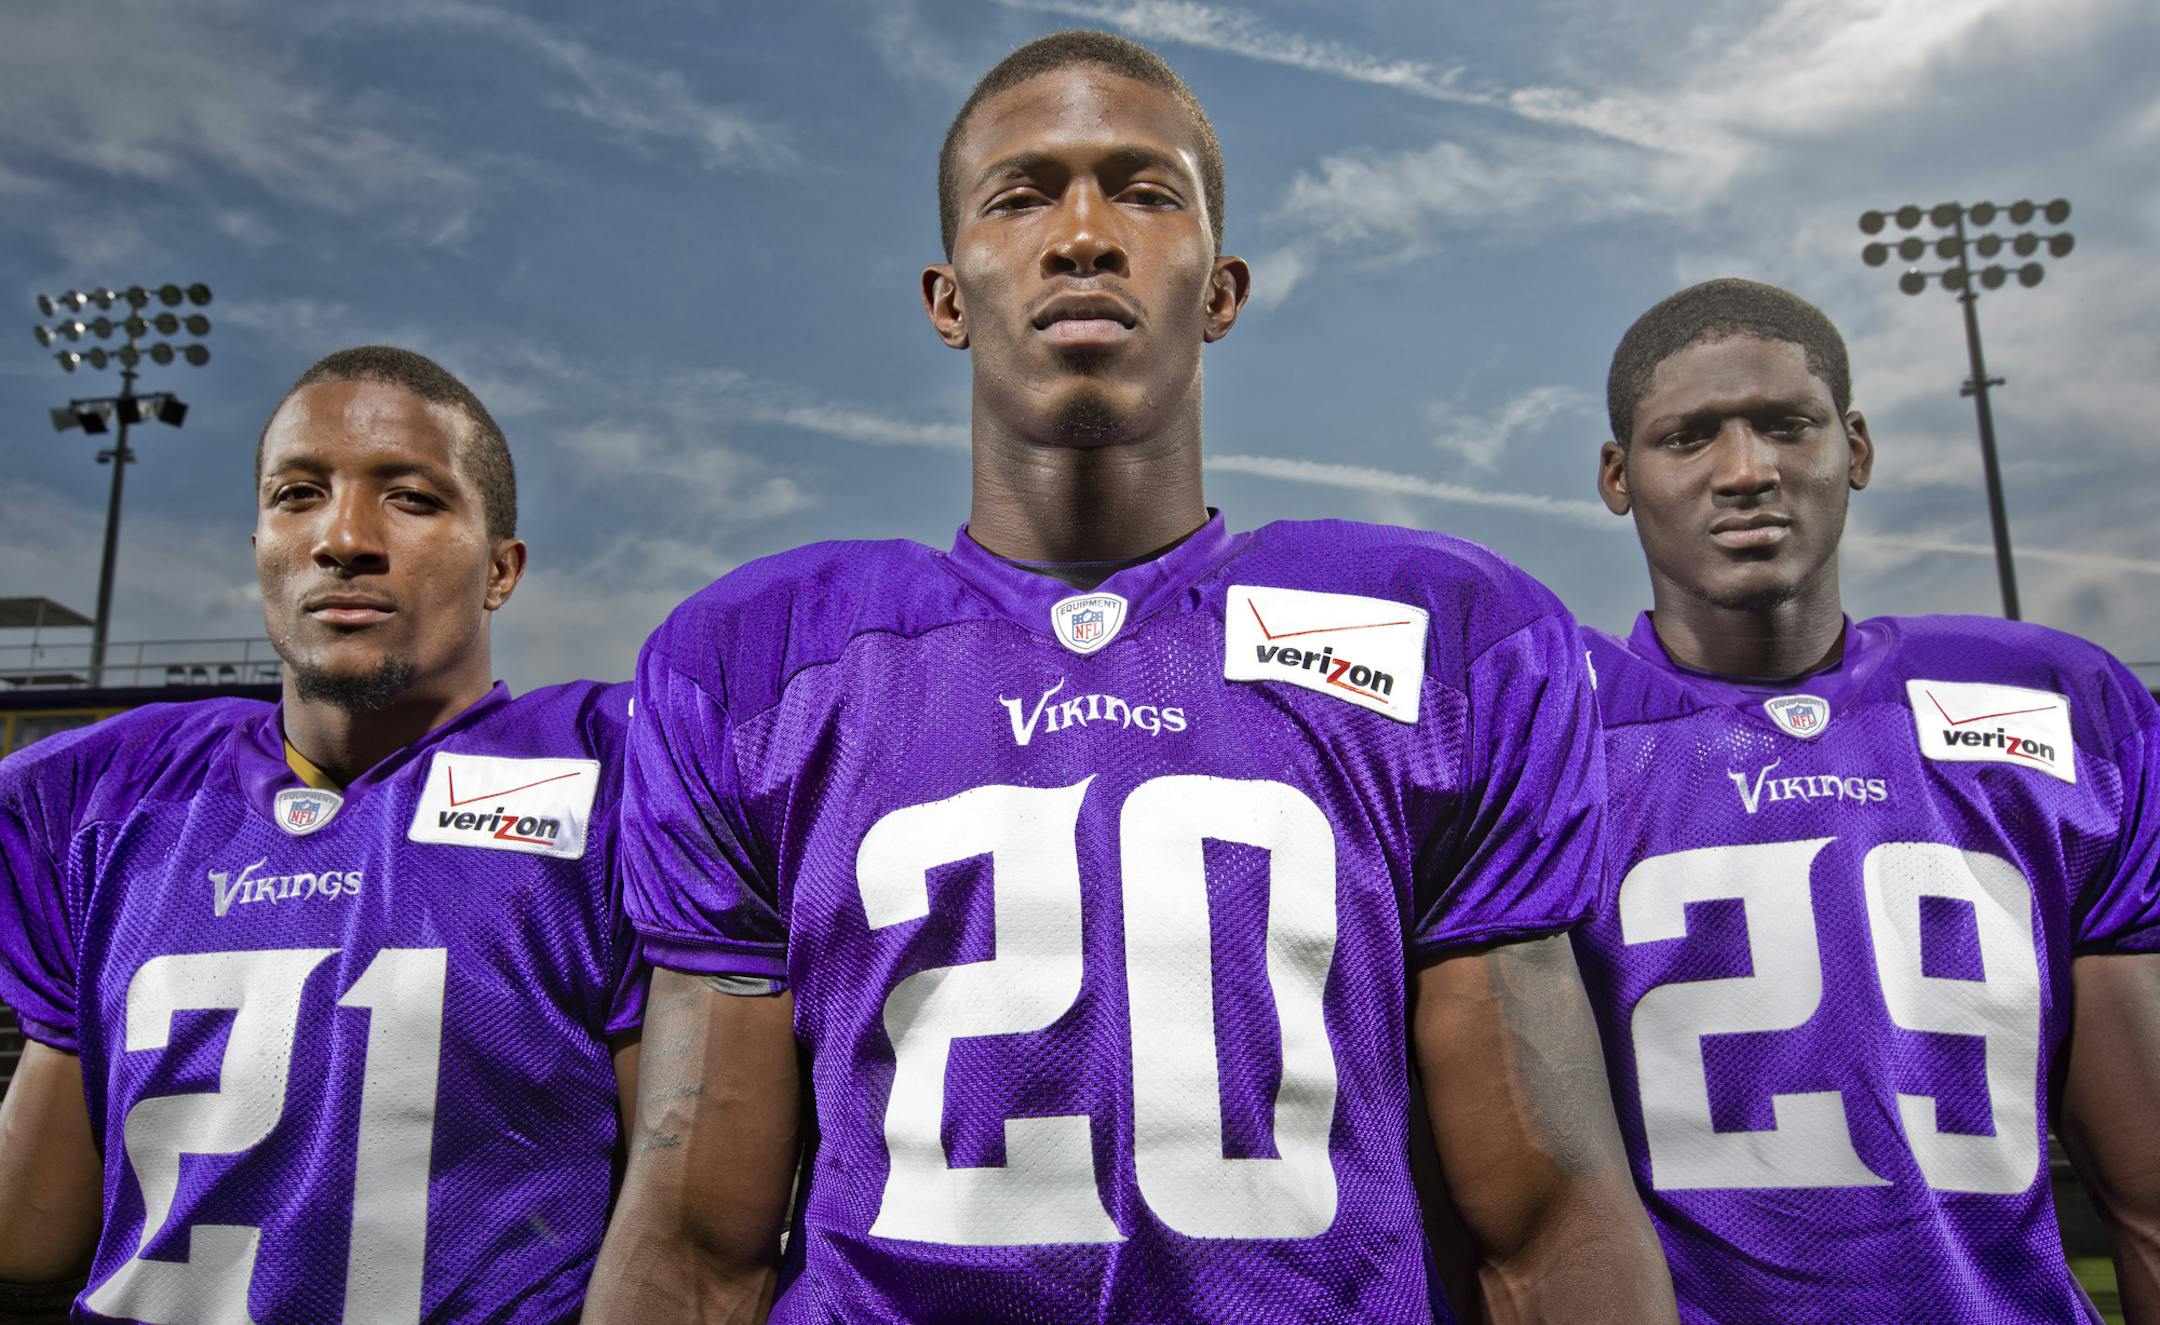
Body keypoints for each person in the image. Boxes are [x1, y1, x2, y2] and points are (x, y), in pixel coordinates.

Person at [587, 30, 1674, 1324]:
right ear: (948, 296)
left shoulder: (1444, 637)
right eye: (1025, 191)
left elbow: (1547, 1217)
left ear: (1220, 287)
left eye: (1145, 191)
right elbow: (697, 1243)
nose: (1085, 233)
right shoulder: (756, 665)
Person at [0, 346, 646, 1323]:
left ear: (501, 569)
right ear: (260, 540)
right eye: (298, 493)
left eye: (413, 498)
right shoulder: (105, 798)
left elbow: (689, 1229)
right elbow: (31, 1228)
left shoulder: (610, 780)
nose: (343, 536)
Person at [1573, 277, 2160, 1323]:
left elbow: (2151, 1193)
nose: (1746, 470)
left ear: (1856, 447)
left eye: (1786, 426)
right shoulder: (1546, 734)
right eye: (1690, 436)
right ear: (1620, 476)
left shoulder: (2060, 710)